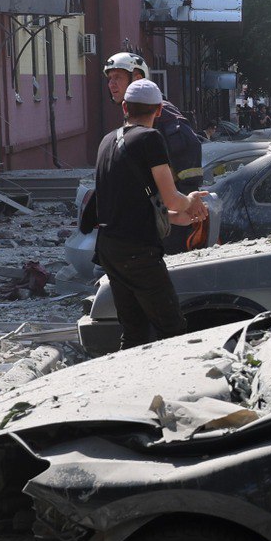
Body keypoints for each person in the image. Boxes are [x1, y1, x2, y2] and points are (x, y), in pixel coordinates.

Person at [87, 79, 209, 349]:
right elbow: (172, 198)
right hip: (137, 251)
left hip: (110, 248)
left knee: (133, 330)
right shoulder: (150, 138)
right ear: (158, 111)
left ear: (125, 108)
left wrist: (174, 217)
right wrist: (189, 201)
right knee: (172, 327)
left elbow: (130, 202)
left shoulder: (108, 141)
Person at [103, 52, 203, 253]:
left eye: (118, 77)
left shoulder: (162, 117)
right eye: (110, 78)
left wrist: (183, 202)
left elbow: (188, 166)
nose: (112, 84)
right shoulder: (134, 121)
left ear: (138, 78)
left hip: (170, 224)